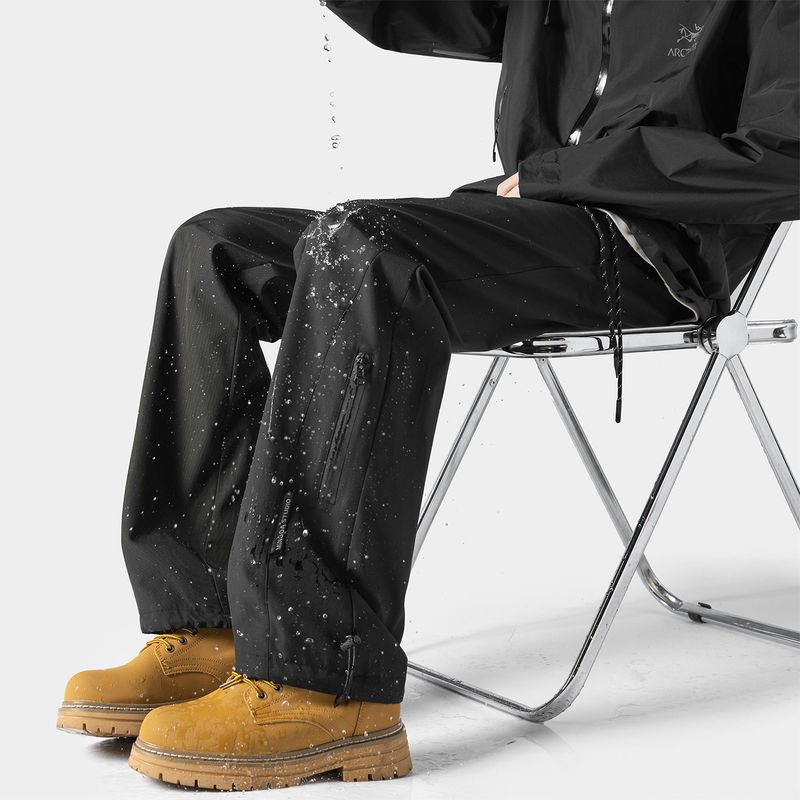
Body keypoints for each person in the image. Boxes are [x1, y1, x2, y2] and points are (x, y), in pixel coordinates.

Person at [57, 0, 798, 791]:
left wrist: (563, 174)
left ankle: (327, 678)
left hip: (649, 249)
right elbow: (426, 12)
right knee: (213, 247)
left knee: (363, 246)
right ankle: (210, 626)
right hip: (519, 219)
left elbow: (784, 158)